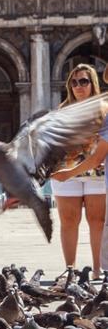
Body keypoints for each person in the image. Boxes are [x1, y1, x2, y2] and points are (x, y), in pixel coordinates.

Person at [49, 64, 107, 279]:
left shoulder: (105, 108)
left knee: (96, 220)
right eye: (74, 82)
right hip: (66, 171)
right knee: (69, 221)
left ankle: (96, 269)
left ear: (93, 83)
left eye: (83, 81)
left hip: (97, 172)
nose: (78, 86)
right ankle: (71, 269)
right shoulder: (62, 111)